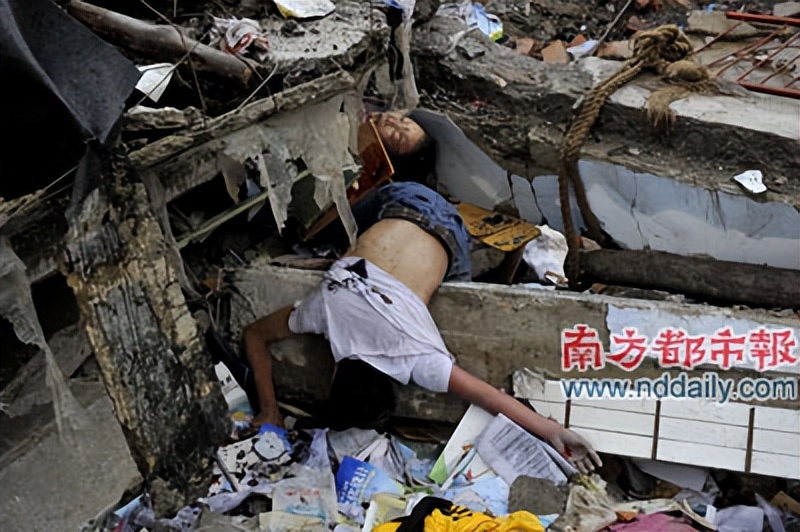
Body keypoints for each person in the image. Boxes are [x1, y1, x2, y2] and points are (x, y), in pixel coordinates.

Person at [241, 179, 603, 475]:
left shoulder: (418, 359)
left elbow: (492, 397)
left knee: (453, 285)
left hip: (442, 225)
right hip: (403, 199)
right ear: (336, 375)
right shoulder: (325, 308)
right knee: (320, 234)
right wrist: (271, 409)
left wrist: (554, 431)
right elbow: (257, 336)